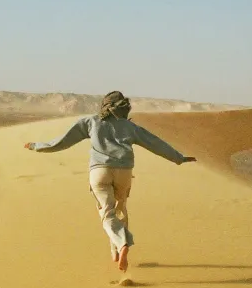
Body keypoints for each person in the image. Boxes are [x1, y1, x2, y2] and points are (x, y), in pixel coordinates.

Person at [24, 91, 196, 272]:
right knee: (120, 209)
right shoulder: (131, 127)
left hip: (100, 172)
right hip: (124, 172)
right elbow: (154, 142)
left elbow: (62, 141)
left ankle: (121, 243)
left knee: (107, 213)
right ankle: (115, 249)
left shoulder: (91, 122)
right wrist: (178, 157)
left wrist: (37, 146)